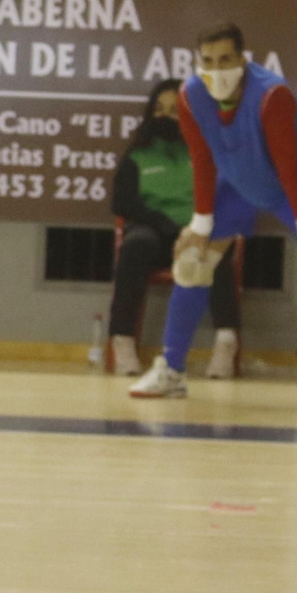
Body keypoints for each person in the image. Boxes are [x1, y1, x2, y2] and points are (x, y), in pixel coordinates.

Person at [130, 23, 297, 411]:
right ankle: (171, 371)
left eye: (225, 59)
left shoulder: (272, 96)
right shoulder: (190, 97)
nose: (217, 69)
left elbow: (287, 166)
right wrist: (200, 225)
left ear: (242, 58)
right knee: (192, 261)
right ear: (197, 62)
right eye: (207, 61)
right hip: (240, 179)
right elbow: (203, 160)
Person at [108, 79, 240, 378]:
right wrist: (165, 224)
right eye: (159, 109)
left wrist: (194, 230)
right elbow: (122, 203)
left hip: (196, 237)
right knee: (135, 245)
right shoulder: (137, 156)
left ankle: (225, 343)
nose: (165, 116)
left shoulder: (205, 154)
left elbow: (223, 201)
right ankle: (123, 340)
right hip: (152, 234)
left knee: (217, 251)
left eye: (174, 110)